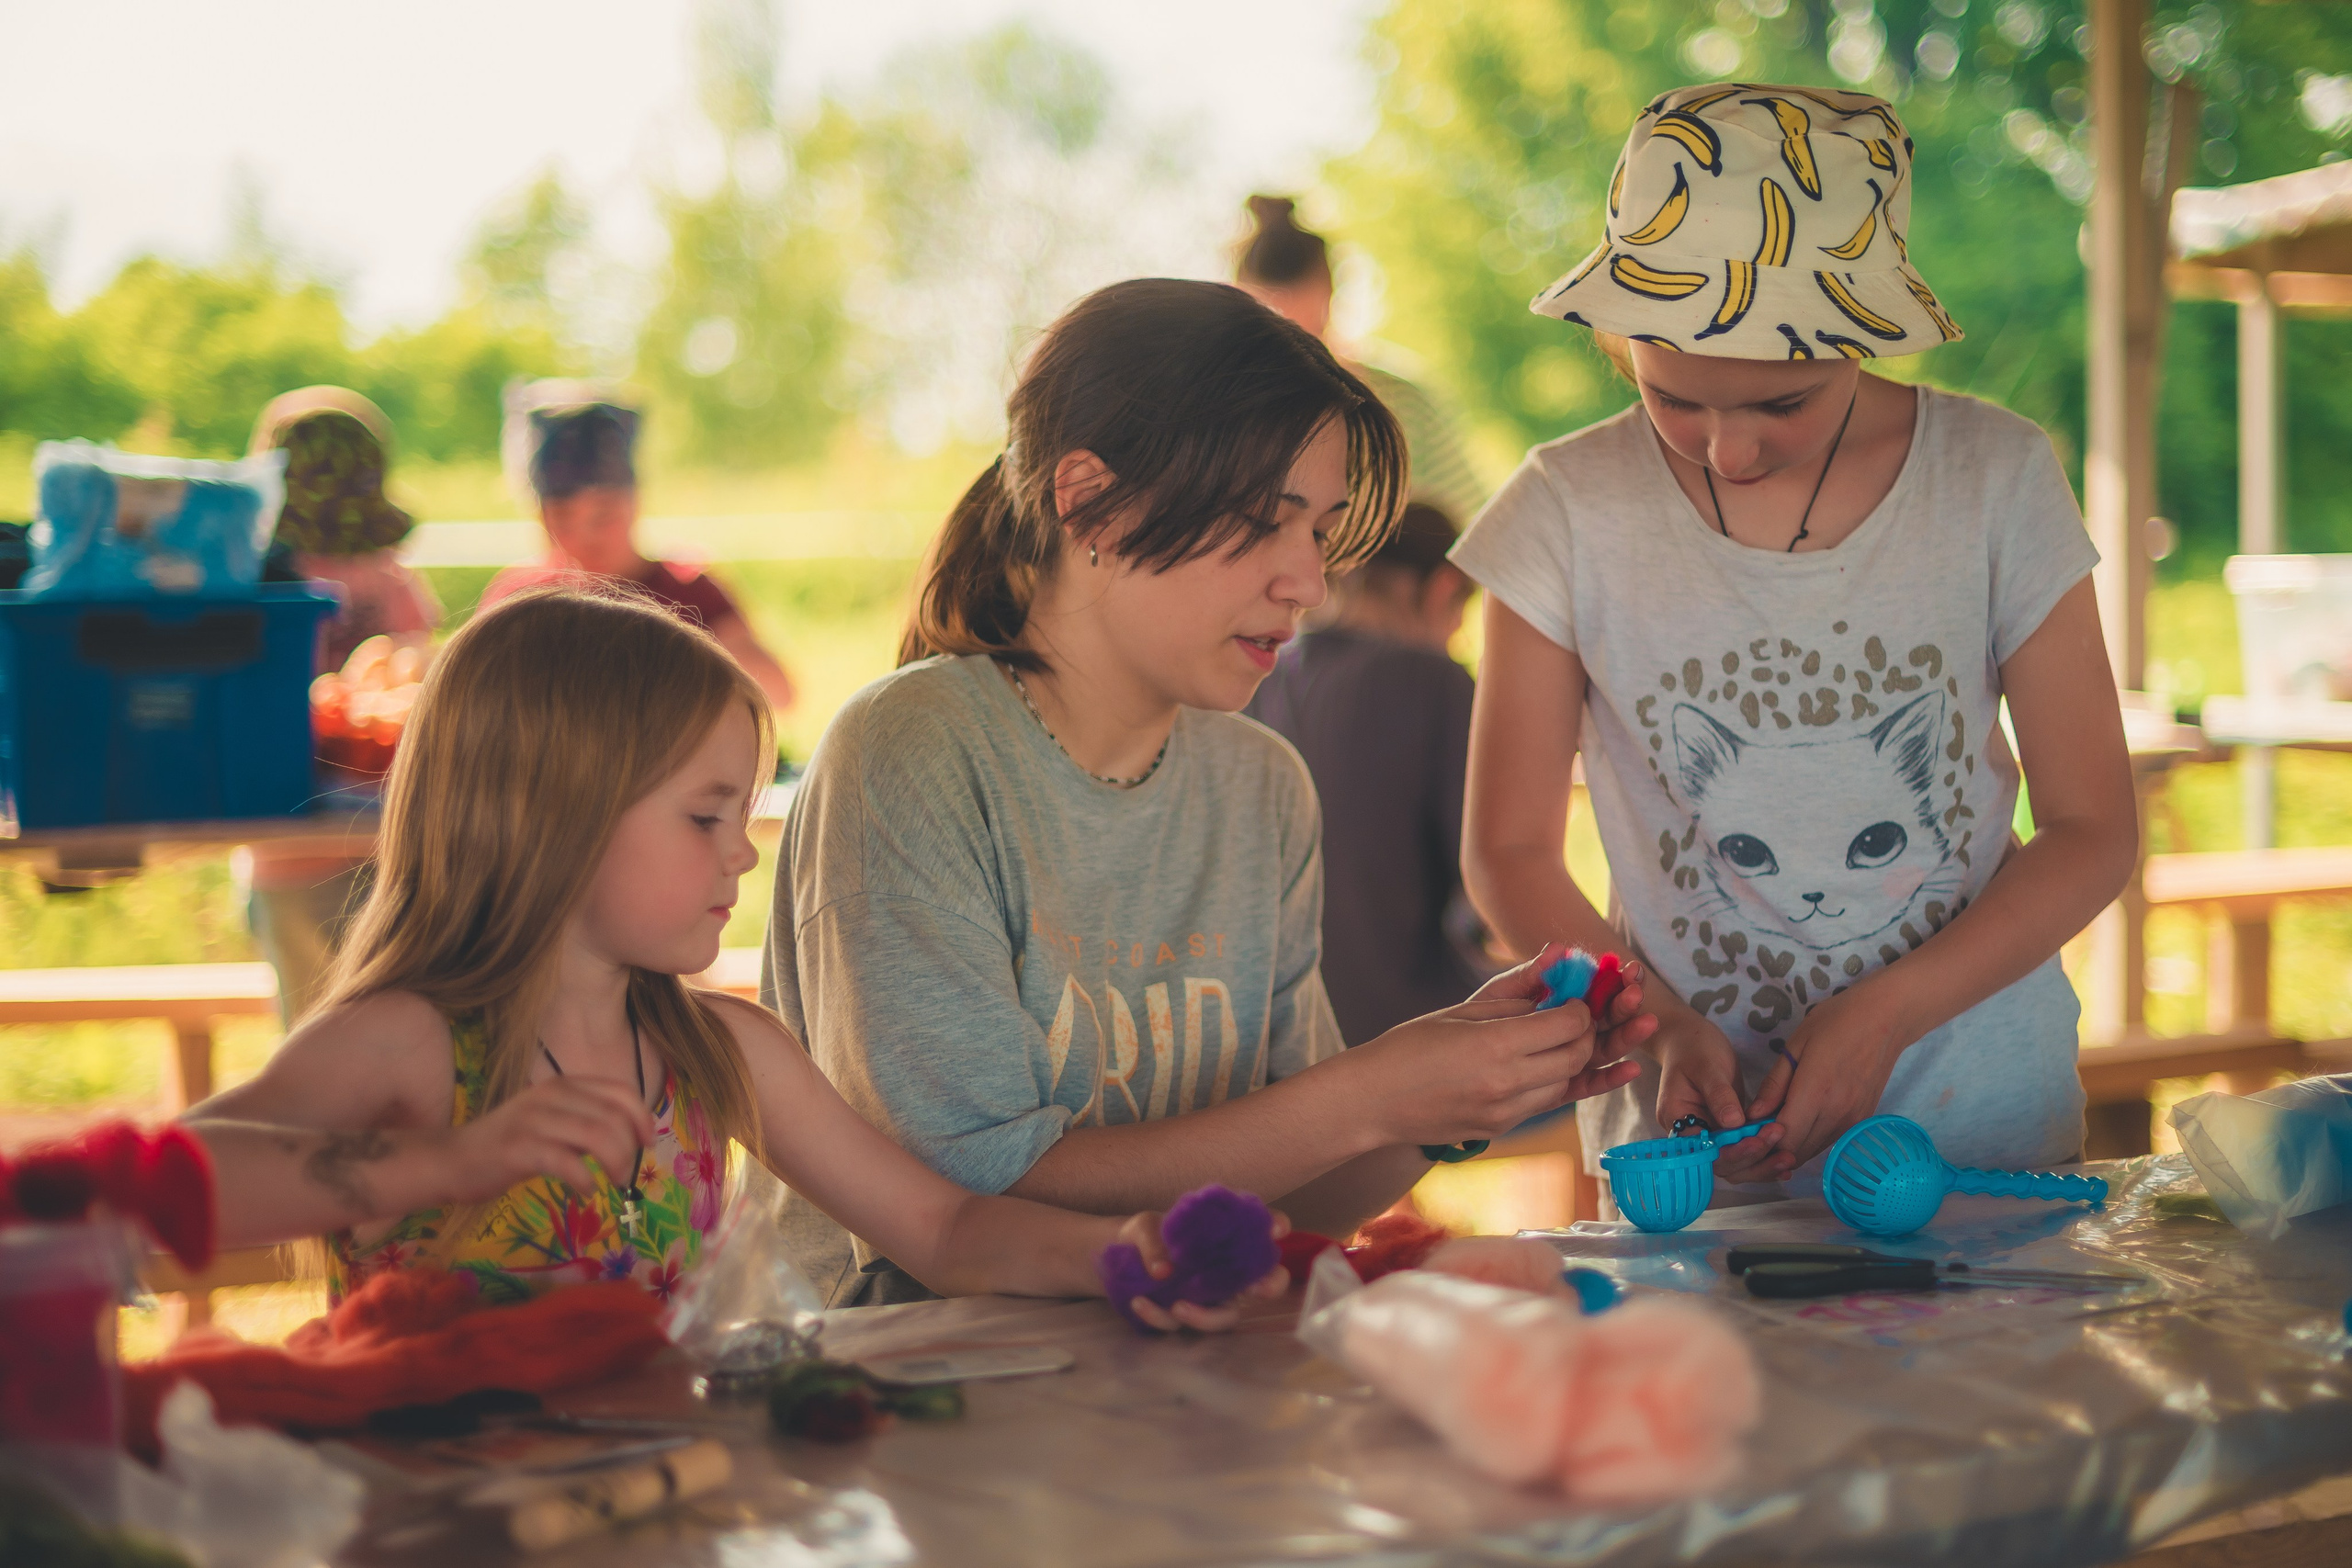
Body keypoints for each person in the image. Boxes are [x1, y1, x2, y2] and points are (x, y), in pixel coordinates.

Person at [763, 278, 1652, 1307]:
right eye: (1260, 523)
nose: (1306, 584)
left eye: (1319, 531)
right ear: (1086, 496)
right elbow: (961, 1206)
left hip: (1167, 1390)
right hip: (907, 1394)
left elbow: (1293, 1203)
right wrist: (1362, 1092)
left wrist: (1454, 1096)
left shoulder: (1259, 782)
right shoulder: (915, 751)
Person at [181, 588, 1282, 1331]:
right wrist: (436, 1168)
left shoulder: (717, 1051)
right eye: (705, 818)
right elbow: (164, 1195)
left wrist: (1122, 1255)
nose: (741, 858)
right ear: (552, 815)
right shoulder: (416, 1045)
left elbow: (942, 1230)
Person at [1455, 85, 2137, 1204]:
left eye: (1780, 405)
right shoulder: (1563, 510)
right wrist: (1655, 1020)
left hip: (1979, 1123)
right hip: (1695, 1136)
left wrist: (1885, 1015)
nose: (1726, 452)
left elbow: (2093, 828)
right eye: (1673, 401)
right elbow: (1511, 855)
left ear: (1866, 339)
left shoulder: (1993, 481)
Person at [1245, 502, 1492, 1044]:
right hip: (1420, 1032)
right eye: (1460, 614)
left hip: (1285, 1042)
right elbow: (1490, 892)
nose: (1454, 633)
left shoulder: (1254, 685)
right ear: (1442, 589)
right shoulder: (1436, 681)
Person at [242, 387, 442, 1023]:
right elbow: (426, 674)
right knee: (405, 1034)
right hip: (386, 840)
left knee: (313, 1038)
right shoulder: (389, 575)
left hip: (292, 852)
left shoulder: (262, 574)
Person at [480, 380, 797, 714]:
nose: (584, 534)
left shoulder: (686, 589)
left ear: (635, 502)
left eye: (603, 515)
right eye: (560, 516)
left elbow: (780, 693)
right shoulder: (519, 593)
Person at [1235, 196, 1487, 528]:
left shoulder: (1401, 404)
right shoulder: (1221, 413)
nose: (1293, 357)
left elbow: (1471, 527)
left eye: (1305, 331)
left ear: (1330, 298)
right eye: (1271, 333)